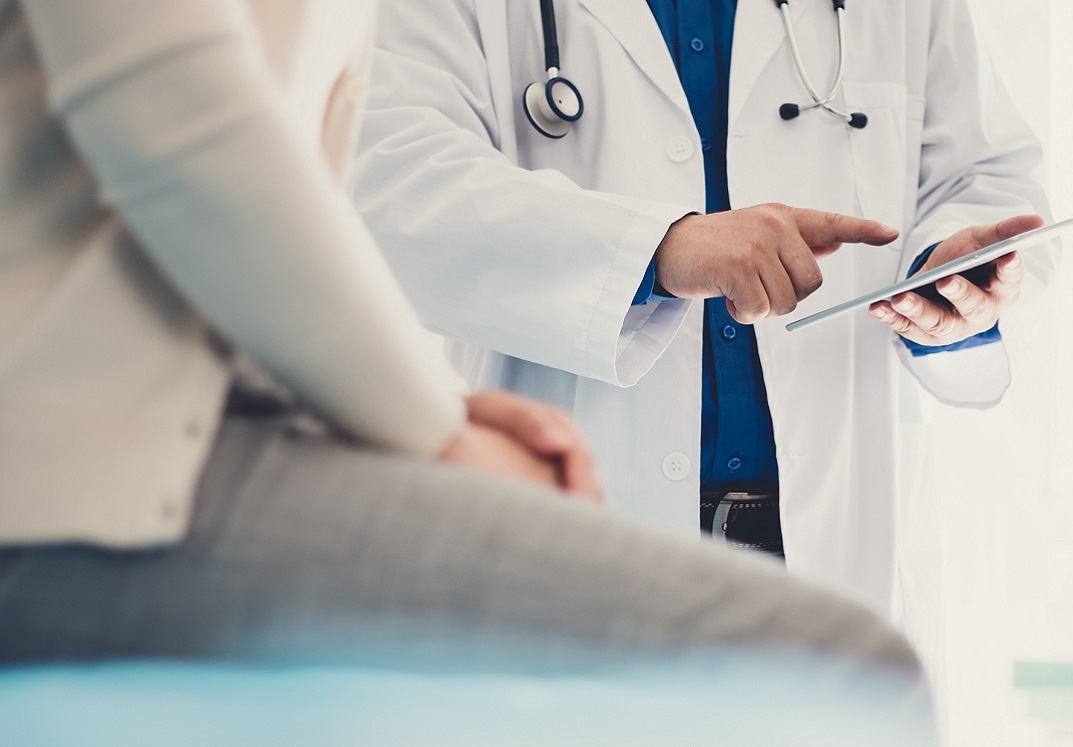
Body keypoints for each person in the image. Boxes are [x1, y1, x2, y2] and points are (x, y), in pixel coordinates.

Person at [0, 0, 932, 718]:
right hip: (100, 468)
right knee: (850, 676)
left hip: (250, 423)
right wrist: (433, 428)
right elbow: (192, 140)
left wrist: (425, 406)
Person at [351, 0, 1055, 611]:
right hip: (573, 559)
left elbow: (985, 177)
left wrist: (952, 278)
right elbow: (390, 176)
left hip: (823, 552)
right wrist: (658, 250)